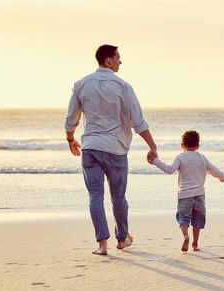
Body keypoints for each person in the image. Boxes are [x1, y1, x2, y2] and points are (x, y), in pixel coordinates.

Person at [65, 44, 158, 256]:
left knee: (95, 196)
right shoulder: (124, 86)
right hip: (115, 149)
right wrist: (152, 146)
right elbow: (138, 122)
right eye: (118, 58)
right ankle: (123, 238)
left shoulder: (81, 84)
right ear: (109, 60)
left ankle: (102, 244)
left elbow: (72, 118)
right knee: (118, 197)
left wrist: (70, 138)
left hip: (90, 148)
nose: (120, 62)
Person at [150, 130, 224, 252]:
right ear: (197, 145)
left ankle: (185, 236)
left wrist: (155, 161)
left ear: (182, 145)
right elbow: (214, 170)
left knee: (183, 218)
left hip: (185, 195)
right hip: (199, 195)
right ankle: (195, 244)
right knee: (198, 220)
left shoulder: (181, 157)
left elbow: (170, 170)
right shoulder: (202, 158)